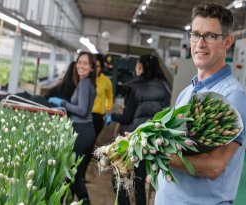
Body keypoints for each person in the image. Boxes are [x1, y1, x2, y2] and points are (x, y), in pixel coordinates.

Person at [155, 2, 246, 205]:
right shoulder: (189, 90)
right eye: (195, 34)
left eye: (210, 36)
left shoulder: (233, 96)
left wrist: (156, 154)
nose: (200, 43)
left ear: (228, 42)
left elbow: (214, 166)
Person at [105, 55, 170, 205]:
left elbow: (127, 117)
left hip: (131, 140)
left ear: (140, 67)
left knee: (119, 180)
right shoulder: (164, 87)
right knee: (139, 183)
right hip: (150, 141)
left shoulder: (133, 86)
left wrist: (112, 116)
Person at [49, 51, 97, 205]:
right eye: (79, 62)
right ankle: (79, 200)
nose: (81, 65)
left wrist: (62, 103)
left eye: (85, 63)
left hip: (81, 130)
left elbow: (82, 111)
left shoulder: (84, 84)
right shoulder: (88, 83)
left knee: (73, 173)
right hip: (86, 130)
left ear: (91, 68)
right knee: (75, 173)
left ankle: (84, 201)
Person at [92, 54, 113, 137]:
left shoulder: (106, 81)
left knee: (92, 140)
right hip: (84, 116)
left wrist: (108, 110)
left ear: (101, 67)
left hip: (98, 117)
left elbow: (109, 96)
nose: (95, 69)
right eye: (93, 66)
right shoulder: (85, 79)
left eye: (97, 66)